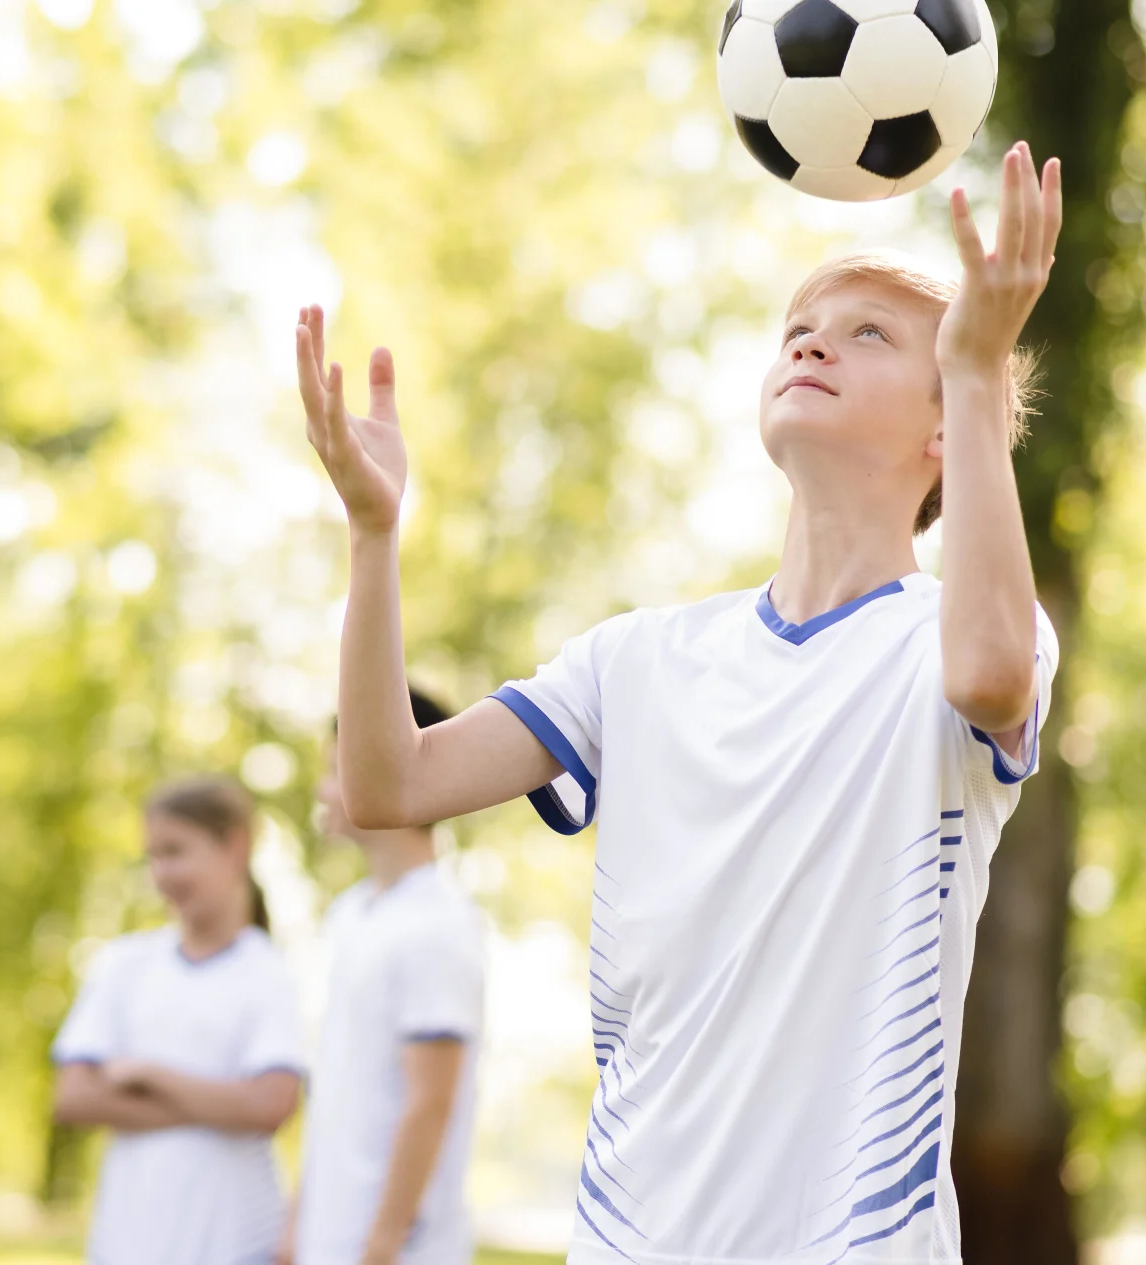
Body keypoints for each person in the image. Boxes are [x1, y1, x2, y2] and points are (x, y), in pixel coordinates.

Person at [294, 142, 1064, 1261]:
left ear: (949, 423)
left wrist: (983, 369)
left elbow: (993, 675)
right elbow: (386, 784)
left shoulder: (953, 638)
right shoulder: (637, 658)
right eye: (799, 326)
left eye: (869, 333)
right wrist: (374, 538)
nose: (809, 339)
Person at [51, 776, 305, 1265]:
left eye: (175, 851)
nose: (160, 874)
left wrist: (149, 1075)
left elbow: (272, 1106)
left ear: (235, 846)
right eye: (153, 856)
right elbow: (74, 1097)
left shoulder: (270, 974)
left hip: (236, 1243)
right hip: (127, 1242)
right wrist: (225, 1105)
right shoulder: (124, 964)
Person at [284, 687, 485, 1265]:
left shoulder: (440, 924)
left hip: (396, 1250)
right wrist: (299, 1221)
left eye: (334, 767)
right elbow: (336, 1092)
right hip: (331, 1235)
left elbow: (431, 1102)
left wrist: (384, 1243)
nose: (324, 788)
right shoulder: (350, 914)